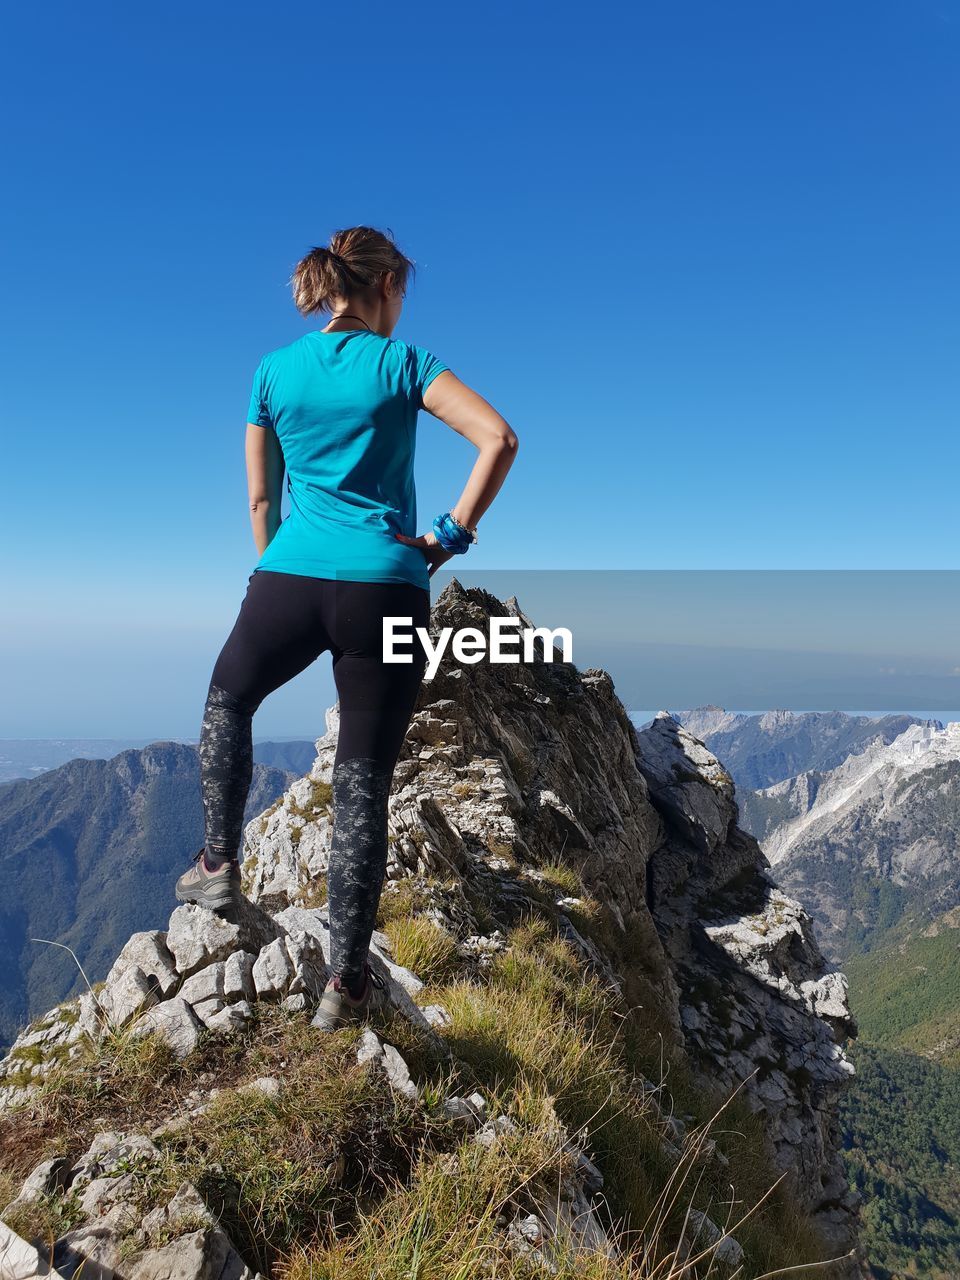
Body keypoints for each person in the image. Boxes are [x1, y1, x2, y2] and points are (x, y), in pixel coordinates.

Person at [174, 225, 519, 1029]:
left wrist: (274, 577)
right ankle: (345, 985)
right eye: (404, 291)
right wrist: (447, 535)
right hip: (387, 587)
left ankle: (219, 863)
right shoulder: (404, 364)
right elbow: (497, 439)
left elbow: (262, 500)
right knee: (363, 781)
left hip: (288, 578)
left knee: (229, 699)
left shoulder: (272, 371)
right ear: (388, 283)